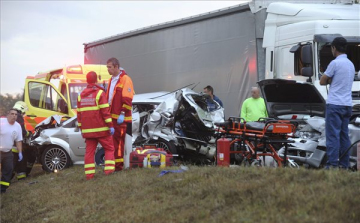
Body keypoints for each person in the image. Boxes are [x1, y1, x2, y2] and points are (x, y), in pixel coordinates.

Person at [320, 37, 355, 169]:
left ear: (334, 48)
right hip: (347, 104)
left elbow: (323, 81)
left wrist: (330, 80)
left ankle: (332, 165)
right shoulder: (351, 64)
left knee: (332, 136)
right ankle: (344, 165)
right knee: (344, 136)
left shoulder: (335, 63)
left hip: (335, 104)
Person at [77, 71, 116, 180]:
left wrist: (82, 129)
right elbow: (105, 112)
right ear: (96, 80)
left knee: (89, 152)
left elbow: (79, 116)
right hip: (102, 130)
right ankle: (108, 171)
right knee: (109, 149)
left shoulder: (81, 96)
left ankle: (89, 175)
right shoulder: (99, 93)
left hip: (88, 132)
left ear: (87, 81)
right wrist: (111, 126)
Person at [105, 57, 134, 171]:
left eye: (109, 67)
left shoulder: (125, 79)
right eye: (107, 67)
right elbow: (110, 99)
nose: (108, 69)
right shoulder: (111, 80)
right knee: (114, 143)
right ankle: (114, 165)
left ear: (116, 67)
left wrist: (122, 113)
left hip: (121, 118)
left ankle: (118, 167)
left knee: (119, 144)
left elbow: (127, 99)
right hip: (112, 117)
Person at [11, 101, 36, 180]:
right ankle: (6, 181)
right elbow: (22, 131)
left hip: (10, 145)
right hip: (15, 146)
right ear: (20, 108)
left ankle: (20, 177)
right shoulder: (18, 116)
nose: (24, 113)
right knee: (17, 162)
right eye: (24, 111)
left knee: (16, 163)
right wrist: (29, 134)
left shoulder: (10, 115)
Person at [1, 109, 23, 193]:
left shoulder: (17, 126)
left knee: (8, 171)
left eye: (16, 114)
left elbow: (18, 140)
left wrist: (20, 152)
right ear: (8, 114)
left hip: (8, 153)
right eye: (12, 114)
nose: (14, 116)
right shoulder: (1, 122)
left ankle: (2, 190)